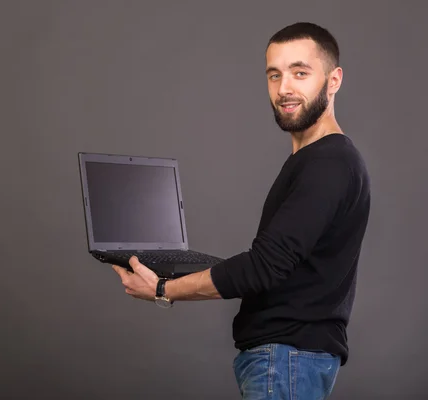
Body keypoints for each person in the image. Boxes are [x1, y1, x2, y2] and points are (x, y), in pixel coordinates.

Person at [112, 22, 371, 400]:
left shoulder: (329, 162)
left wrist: (162, 289)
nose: (284, 88)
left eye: (300, 73)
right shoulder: (318, 161)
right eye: (274, 75)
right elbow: (278, 265)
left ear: (334, 80)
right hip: (287, 362)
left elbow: (265, 266)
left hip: (286, 362)